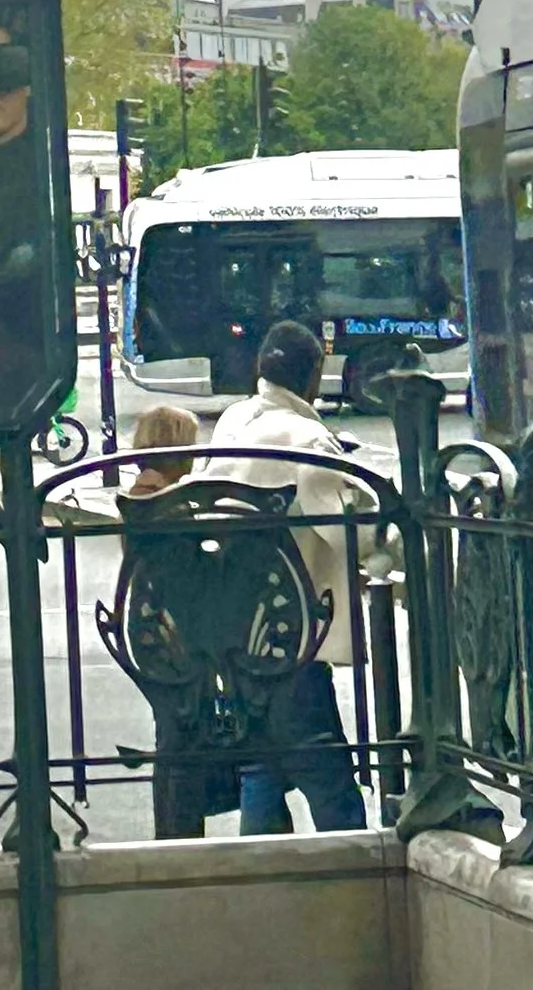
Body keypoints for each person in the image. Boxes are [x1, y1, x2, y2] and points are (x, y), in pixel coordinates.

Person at [203, 322, 371, 835]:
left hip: (233, 627)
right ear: (315, 373)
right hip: (291, 629)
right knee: (328, 775)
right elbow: (351, 532)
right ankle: (353, 882)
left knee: (263, 767)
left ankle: (262, 880)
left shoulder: (233, 421)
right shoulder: (307, 438)